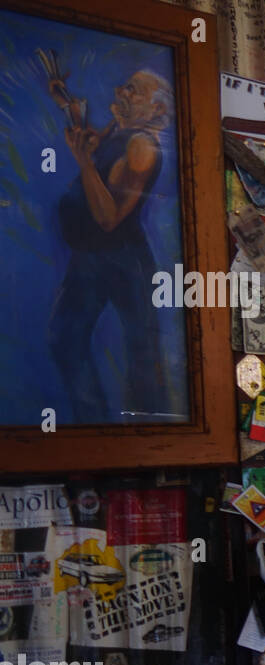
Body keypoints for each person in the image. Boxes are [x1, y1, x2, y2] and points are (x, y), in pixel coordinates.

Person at [47, 68, 179, 422]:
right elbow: (91, 135)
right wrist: (68, 105)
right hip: (91, 258)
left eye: (132, 90)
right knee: (65, 341)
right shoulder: (123, 133)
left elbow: (108, 217)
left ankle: (149, 438)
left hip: (122, 262)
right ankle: (95, 429)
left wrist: (84, 161)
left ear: (156, 112)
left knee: (141, 355)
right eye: (125, 85)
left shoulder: (142, 147)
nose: (120, 90)